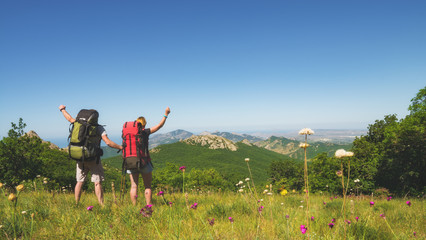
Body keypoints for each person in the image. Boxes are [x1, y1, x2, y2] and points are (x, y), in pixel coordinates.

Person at [59, 105, 122, 206]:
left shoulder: (77, 123)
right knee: (97, 182)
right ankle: (101, 205)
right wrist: (120, 147)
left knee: (79, 182)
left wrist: (62, 110)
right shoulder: (98, 128)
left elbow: (69, 118)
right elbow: (108, 143)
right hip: (93, 159)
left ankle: (76, 203)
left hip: (80, 158)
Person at [128, 107, 171, 206]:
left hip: (131, 162)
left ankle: (134, 207)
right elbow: (159, 125)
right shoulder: (145, 132)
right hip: (144, 162)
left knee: (134, 186)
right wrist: (166, 114)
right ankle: (149, 207)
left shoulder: (130, 134)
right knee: (147, 186)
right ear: (144, 124)